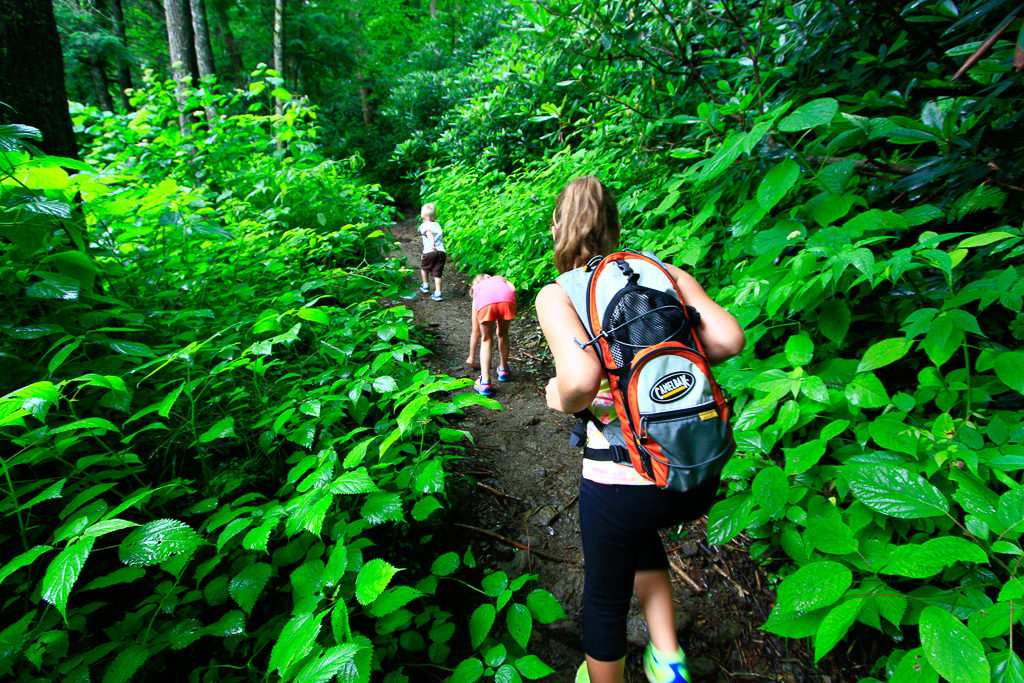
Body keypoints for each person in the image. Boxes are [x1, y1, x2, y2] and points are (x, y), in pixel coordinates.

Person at [535, 176, 745, 683]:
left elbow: (580, 383)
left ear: (558, 227)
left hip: (622, 483)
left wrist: (553, 394)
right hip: (690, 471)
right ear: (614, 226)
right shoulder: (664, 272)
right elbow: (729, 340)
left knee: (605, 599)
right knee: (639, 535)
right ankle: (668, 659)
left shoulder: (558, 293)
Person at [465, 273, 517, 396]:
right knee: (503, 333)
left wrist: (471, 356)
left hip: (486, 303)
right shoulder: (500, 279)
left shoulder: (478, 289)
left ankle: (485, 381)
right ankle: (503, 370)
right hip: (507, 299)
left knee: (486, 339)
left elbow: (475, 331)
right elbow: (513, 289)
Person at [418, 203, 446, 301]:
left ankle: (425, 285)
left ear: (422, 217)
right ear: (436, 216)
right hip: (441, 252)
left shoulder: (423, 225)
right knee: (437, 273)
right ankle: (438, 293)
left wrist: (432, 244)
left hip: (430, 251)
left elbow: (429, 233)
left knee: (424, 268)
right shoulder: (437, 225)